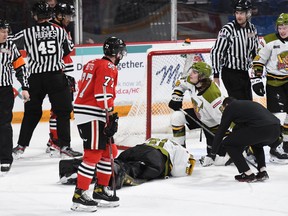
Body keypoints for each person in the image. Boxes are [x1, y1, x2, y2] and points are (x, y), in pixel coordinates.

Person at [11, 1, 81, 158]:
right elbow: (68, 49)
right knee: (62, 112)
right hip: (56, 76)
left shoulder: (27, 32)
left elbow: (10, 43)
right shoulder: (60, 31)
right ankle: (65, 147)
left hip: (35, 78)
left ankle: (21, 147)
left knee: (31, 113)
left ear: (35, 16)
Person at [70, 36, 127, 212]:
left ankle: (101, 189)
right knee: (93, 154)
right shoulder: (108, 67)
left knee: (109, 151)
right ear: (117, 53)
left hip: (89, 111)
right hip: (92, 114)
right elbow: (102, 95)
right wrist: (110, 115)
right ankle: (79, 195)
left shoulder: (92, 62)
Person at [58, 138, 196, 188]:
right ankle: (119, 172)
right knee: (135, 170)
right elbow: (178, 172)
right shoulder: (181, 150)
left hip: (136, 149)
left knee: (112, 163)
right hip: (155, 157)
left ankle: (72, 166)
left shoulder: (163, 140)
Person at [168, 61, 229, 164]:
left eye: (195, 72)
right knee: (177, 116)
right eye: (192, 71)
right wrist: (176, 98)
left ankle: (247, 149)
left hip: (214, 127)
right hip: (200, 117)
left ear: (202, 76)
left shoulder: (212, 96)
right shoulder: (193, 82)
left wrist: (229, 138)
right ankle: (181, 152)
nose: (191, 74)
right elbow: (181, 84)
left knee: (217, 161)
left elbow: (225, 120)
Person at [208, 97, 281, 182]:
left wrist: (212, 153)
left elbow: (221, 131)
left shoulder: (230, 107)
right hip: (275, 130)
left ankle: (248, 174)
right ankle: (263, 171)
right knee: (256, 142)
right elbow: (241, 134)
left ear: (226, 105)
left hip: (260, 128)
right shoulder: (247, 105)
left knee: (228, 143)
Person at [252, 13, 288, 162]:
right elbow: (258, 61)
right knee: (277, 116)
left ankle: (285, 144)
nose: (282, 30)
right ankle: (275, 147)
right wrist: (257, 80)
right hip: (274, 83)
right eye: (280, 27)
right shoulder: (269, 40)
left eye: (285, 27)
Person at [45, 2, 77, 156]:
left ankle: (54, 141)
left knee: (60, 110)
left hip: (65, 75)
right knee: (58, 111)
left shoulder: (62, 28)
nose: (70, 19)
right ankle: (55, 142)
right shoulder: (54, 29)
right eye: (68, 16)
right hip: (58, 75)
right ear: (58, 15)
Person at [210, 0, 259, 100]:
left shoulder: (252, 29)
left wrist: (257, 74)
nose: (238, 16)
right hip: (230, 73)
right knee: (239, 104)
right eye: (237, 13)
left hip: (244, 72)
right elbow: (216, 51)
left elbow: (254, 51)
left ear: (248, 13)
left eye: (241, 13)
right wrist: (216, 75)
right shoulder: (227, 29)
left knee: (248, 103)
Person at [0, 20, 30, 173]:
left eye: (7, 31)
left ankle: (5, 158)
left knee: (4, 125)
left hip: (4, 91)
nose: (6, 34)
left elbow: (20, 68)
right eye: (2, 31)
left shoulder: (10, 46)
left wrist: (24, 87)